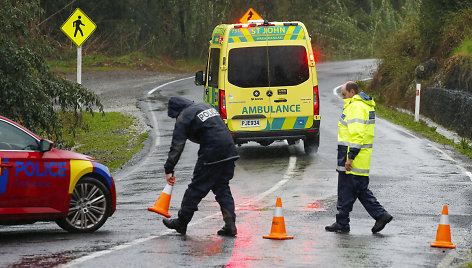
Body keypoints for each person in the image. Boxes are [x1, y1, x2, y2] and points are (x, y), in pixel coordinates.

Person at [162, 96, 239, 236]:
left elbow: (177, 146)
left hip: (212, 154)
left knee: (195, 189)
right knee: (222, 188)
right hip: (230, 150)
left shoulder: (184, 116)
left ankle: (181, 222)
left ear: (177, 111)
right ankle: (230, 225)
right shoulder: (205, 107)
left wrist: (169, 168)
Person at [325, 81, 392, 234]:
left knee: (345, 191)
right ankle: (381, 215)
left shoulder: (356, 107)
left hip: (352, 160)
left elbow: (357, 135)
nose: (343, 98)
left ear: (352, 92)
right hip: (360, 160)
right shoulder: (362, 105)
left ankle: (342, 223)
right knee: (360, 191)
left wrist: (350, 157)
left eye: (344, 94)